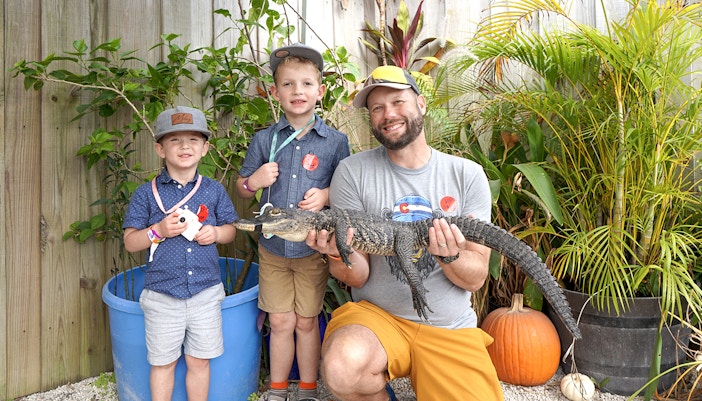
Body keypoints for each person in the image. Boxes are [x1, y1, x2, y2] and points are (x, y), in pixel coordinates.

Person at [305, 66, 505, 401]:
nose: (388, 114)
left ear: (421, 103)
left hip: (448, 326)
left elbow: (475, 278)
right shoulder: (351, 172)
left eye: (398, 101)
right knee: (341, 368)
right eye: (378, 108)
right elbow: (357, 275)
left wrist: (450, 255)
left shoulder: (467, 175)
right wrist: (337, 253)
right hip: (378, 318)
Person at [235, 43, 351, 401]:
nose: (297, 92)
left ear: (320, 91)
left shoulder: (335, 142)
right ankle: (278, 388)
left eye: (305, 84)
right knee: (282, 321)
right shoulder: (264, 139)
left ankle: (307, 389)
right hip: (272, 248)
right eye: (287, 85)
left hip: (312, 250)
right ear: (275, 92)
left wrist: (327, 195)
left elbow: (347, 192)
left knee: (306, 321)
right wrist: (253, 182)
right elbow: (241, 188)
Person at [123, 106, 238, 401]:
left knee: (200, 361)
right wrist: (157, 230)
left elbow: (231, 230)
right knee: (163, 363)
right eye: (175, 140)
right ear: (160, 149)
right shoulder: (145, 194)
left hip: (205, 294)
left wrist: (215, 233)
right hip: (162, 296)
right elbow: (130, 242)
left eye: (193, 140)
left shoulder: (213, 191)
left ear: (205, 148)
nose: (185, 146)